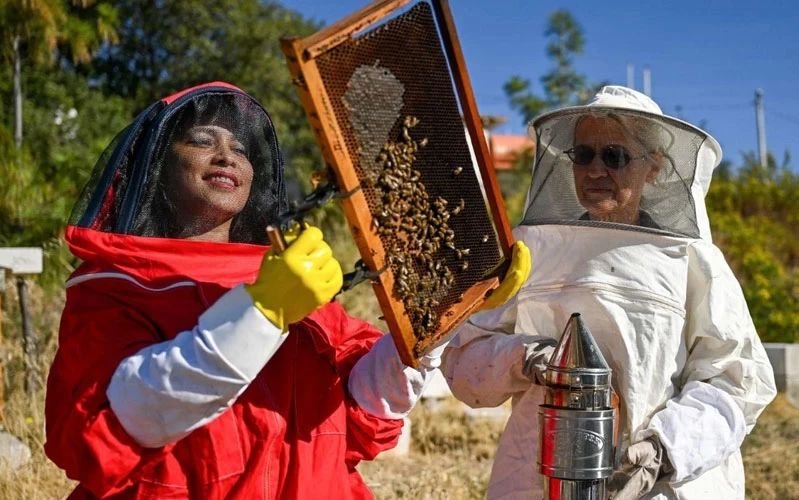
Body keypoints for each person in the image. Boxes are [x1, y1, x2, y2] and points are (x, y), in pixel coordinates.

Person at [44, 82, 529, 499]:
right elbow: (130, 419)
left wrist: (441, 311)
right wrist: (263, 311)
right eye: (201, 140)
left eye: (241, 149)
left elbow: (365, 407)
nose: (226, 156)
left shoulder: (288, 276)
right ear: (158, 167)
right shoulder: (115, 286)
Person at [441, 86, 777, 499]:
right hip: (537, 478)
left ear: (653, 167)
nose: (595, 169)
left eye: (614, 156)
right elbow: (463, 362)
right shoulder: (530, 251)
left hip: (652, 486)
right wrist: (526, 358)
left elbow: (736, 382)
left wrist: (662, 451)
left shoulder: (692, 260)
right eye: (583, 155)